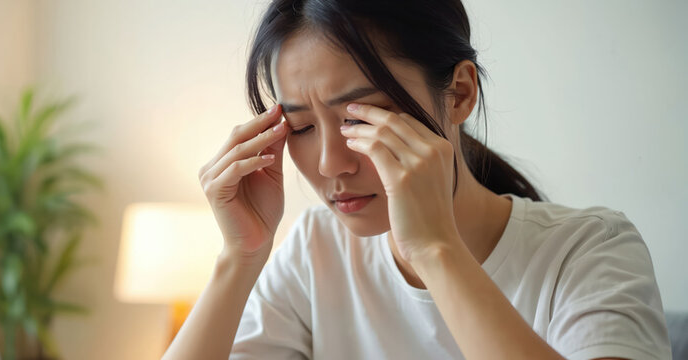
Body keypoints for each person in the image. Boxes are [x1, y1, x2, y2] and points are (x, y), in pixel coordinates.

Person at [164, 0, 672, 359]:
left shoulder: (589, 251)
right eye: (299, 127)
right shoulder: (313, 254)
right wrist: (240, 259)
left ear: (460, 93)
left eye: (361, 118)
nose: (329, 164)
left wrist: (436, 249)